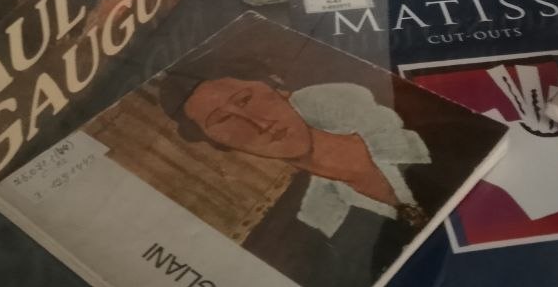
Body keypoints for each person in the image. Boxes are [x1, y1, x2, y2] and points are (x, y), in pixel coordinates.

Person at [161, 67, 431, 237]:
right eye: (223, 120)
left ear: (279, 89)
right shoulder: (313, 221)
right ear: (219, 143)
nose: (259, 123)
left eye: (245, 99)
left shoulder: (409, 125)